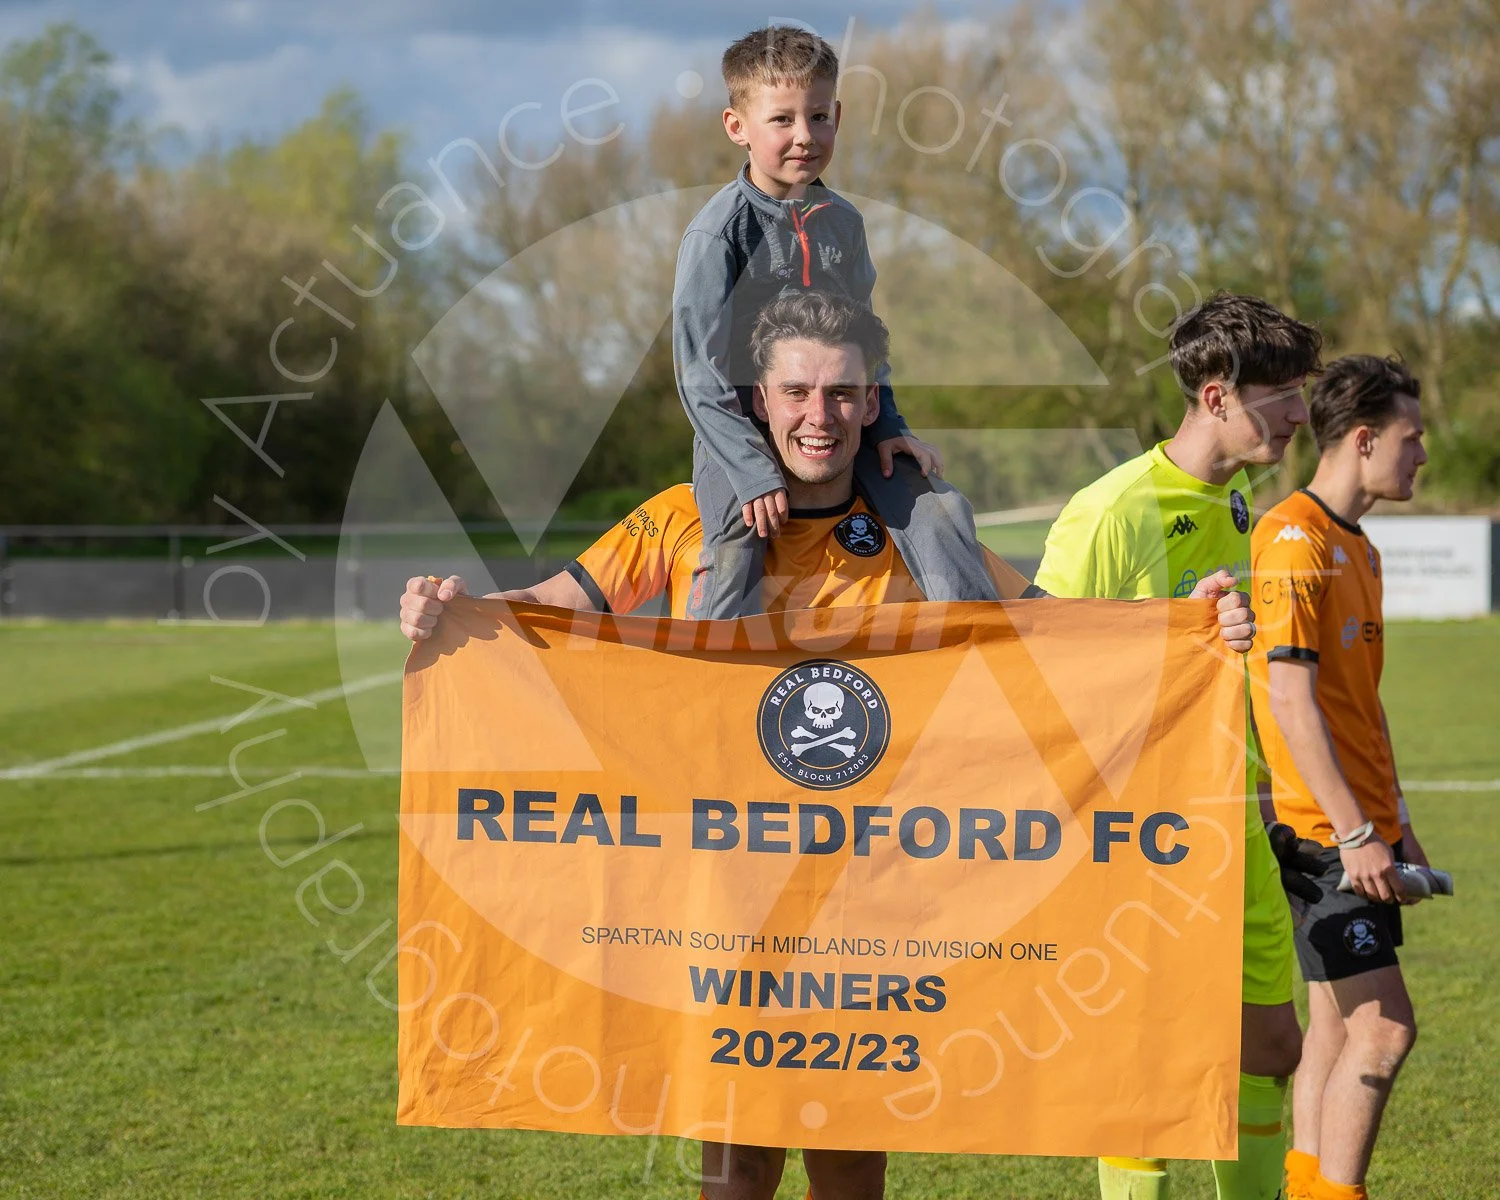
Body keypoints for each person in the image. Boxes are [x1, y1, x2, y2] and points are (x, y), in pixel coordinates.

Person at [401, 292, 1256, 1199]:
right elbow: (554, 609)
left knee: (850, 1169)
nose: (821, 415)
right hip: (727, 895)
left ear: (873, 397)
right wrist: (453, 613)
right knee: (737, 1166)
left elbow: (1054, 632)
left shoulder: (923, 531)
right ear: (757, 400)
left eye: (844, 392)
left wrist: (1187, 630)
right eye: (798, 391)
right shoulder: (688, 518)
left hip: (874, 902)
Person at [1034, 291, 1324, 1200]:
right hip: (1140, 833)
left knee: (1272, 1047)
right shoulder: (1110, 511)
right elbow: (1036, 669)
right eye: (1279, 393)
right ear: (1214, 397)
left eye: (1300, 391)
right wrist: (1172, 630)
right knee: (1146, 1070)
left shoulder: (1237, 494)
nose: (1299, 413)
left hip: (1237, 816)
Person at [672, 25, 998, 620]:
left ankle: (980, 655)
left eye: (819, 116)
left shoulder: (844, 224)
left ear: (838, 116)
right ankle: (711, 683)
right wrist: (750, 472)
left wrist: (889, 425)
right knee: (733, 546)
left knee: (939, 509)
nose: (804, 136)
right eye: (782, 120)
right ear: (736, 126)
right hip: (738, 439)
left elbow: (867, 345)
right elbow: (698, 375)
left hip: (840, 422)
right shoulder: (717, 235)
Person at [1249, 355, 1430, 1200]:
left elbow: (1362, 703)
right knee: (1386, 1031)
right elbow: (1288, 702)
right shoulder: (1293, 538)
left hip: (1357, 827)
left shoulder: (1358, 545)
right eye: (1411, 436)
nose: (1422, 453)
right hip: (1322, 834)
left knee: (1334, 1022)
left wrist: (1394, 819)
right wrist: (1356, 833)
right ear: (1364, 439)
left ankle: (1306, 1186)